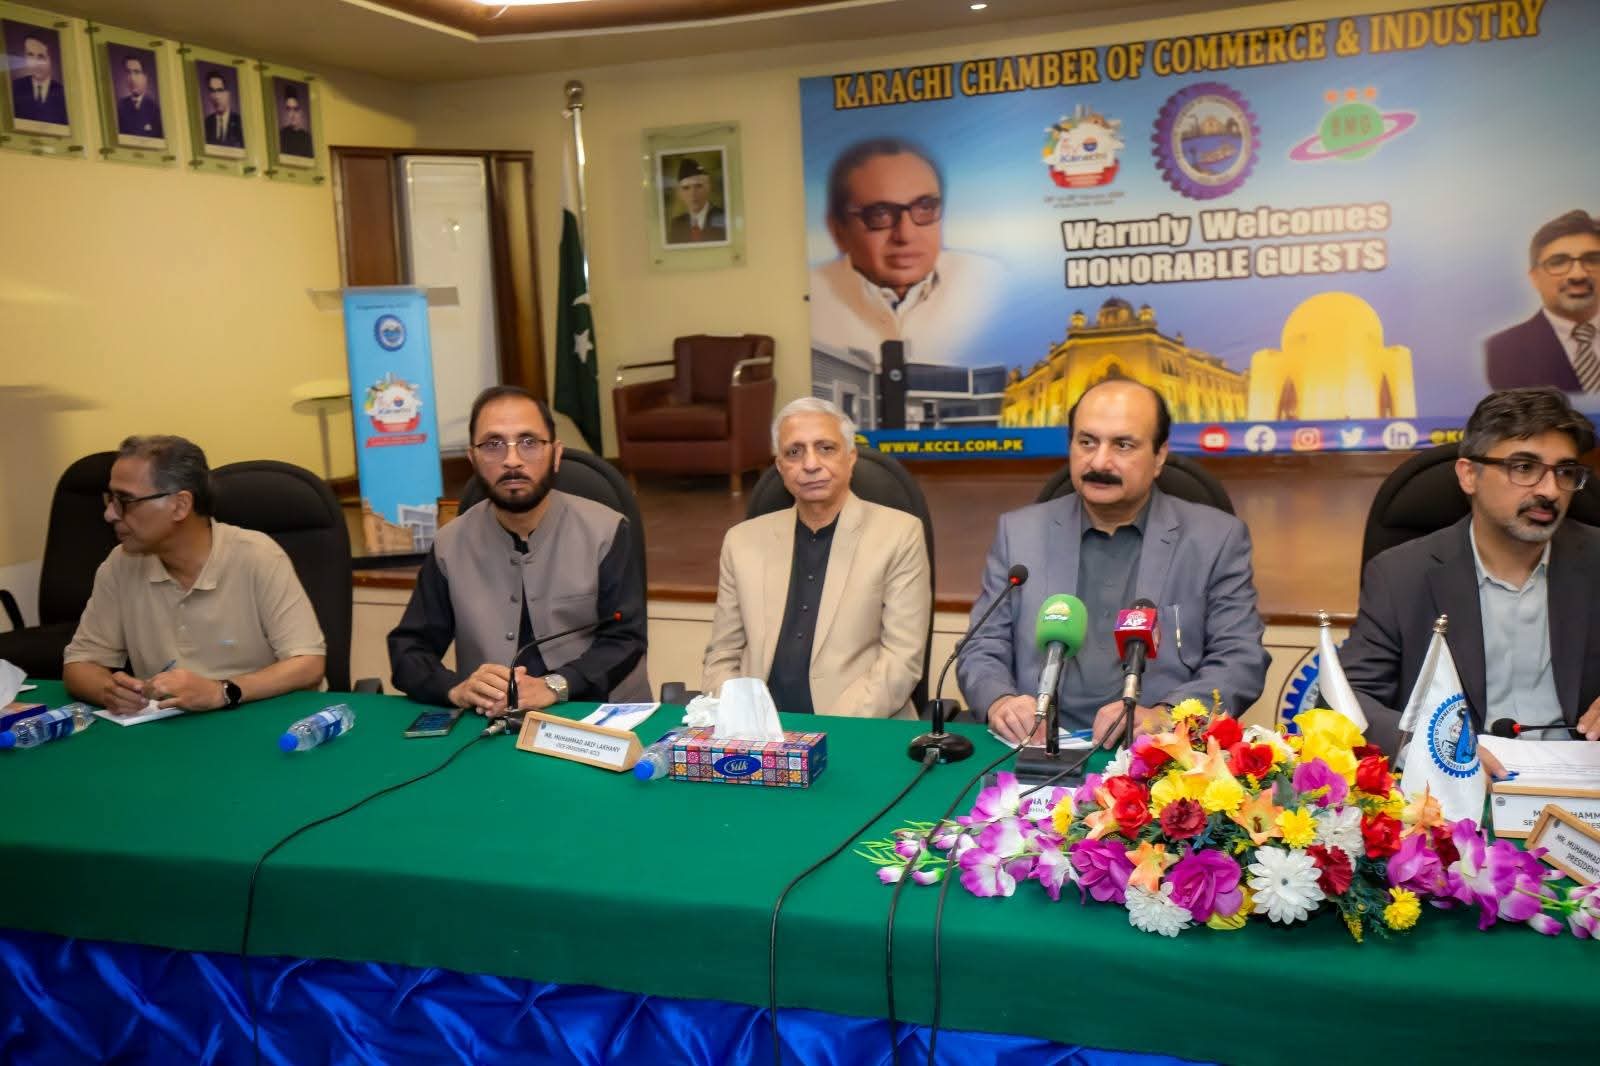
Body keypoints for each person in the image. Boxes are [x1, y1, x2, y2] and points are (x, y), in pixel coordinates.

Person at [958, 379, 1268, 744]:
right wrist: (1001, 702)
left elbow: (1239, 659)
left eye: (1123, 445)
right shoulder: (1019, 532)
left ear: (1160, 456)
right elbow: (982, 646)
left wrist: (1167, 715)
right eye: (1087, 442)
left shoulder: (1216, 538)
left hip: (1152, 754)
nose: (1099, 461)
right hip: (1036, 745)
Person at [1341, 387, 1600, 771]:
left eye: (1564, 472)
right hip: (1452, 787)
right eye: (1524, 468)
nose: (1549, 491)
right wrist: (1433, 749)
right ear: (1468, 475)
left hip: (1581, 787)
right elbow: (1348, 699)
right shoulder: (1400, 575)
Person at [388, 386, 648, 714]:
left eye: (529, 442)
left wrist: (556, 685)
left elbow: (626, 639)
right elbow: (409, 649)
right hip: (490, 722)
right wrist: (456, 689)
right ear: (473, 459)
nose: (512, 460)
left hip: (595, 718)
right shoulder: (449, 544)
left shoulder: (607, 531)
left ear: (555, 454)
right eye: (493, 444)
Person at [701, 397, 931, 719]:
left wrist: (828, 731)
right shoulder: (741, 542)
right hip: (758, 731)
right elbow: (722, 656)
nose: (810, 464)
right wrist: (744, 720)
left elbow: (901, 661)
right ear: (780, 467)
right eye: (794, 452)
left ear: (850, 457)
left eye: (825, 448)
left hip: (858, 725)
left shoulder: (899, 535)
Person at [62, 436, 326, 714]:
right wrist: (110, 691)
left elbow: (308, 663)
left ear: (180, 505)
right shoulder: (121, 564)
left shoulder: (258, 556)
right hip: (169, 726)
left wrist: (221, 692)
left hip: (262, 717)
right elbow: (80, 664)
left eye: (125, 500)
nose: (109, 514)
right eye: (110, 499)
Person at [808, 137, 1001, 365]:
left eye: (925, 208)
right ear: (838, 231)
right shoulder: (810, 298)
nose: (906, 235)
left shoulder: (990, 283)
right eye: (879, 214)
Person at [1485, 210, 1600, 392]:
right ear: (1535, 277)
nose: (1578, 274)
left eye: (1593, 259)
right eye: (1558, 262)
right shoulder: (1502, 350)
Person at [10, 32, 68, 126]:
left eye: (41, 56)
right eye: (30, 55)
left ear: (51, 59)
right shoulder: (13, 88)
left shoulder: (65, 94)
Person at [666, 157, 725, 243]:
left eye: (698, 186)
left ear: (708, 188)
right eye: (686, 188)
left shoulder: (722, 217)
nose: (692, 194)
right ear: (680, 193)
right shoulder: (677, 225)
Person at [114, 54, 162, 140]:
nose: (132, 78)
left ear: (145, 77)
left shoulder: (156, 108)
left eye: (137, 72)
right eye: (128, 72)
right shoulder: (119, 106)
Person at [201, 71, 243, 149]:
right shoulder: (205, 124)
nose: (216, 96)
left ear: (229, 93)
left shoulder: (240, 123)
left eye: (220, 90)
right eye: (212, 91)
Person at [278, 85, 312, 157]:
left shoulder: (307, 138)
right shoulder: (281, 136)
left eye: (295, 109)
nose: (292, 114)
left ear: (301, 111)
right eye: (289, 109)